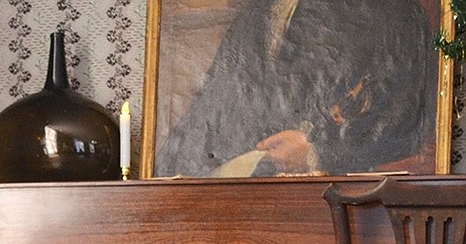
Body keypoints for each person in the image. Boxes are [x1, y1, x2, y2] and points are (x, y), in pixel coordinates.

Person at [156, 0, 436, 177]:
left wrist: (316, 154)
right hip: (249, 205)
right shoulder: (256, 13)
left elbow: (410, 122)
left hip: (344, 211)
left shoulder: (393, 11)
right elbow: (210, 107)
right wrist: (164, 177)